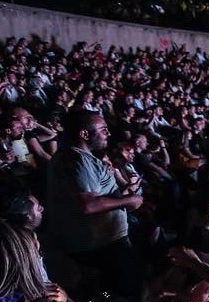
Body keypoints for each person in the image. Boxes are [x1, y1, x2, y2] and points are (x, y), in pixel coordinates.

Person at [42, 111, 144, 299]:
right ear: (85, 134)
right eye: (103, 130)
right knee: (122, 292)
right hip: (102, 245)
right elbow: (88, 205)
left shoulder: (79, 157)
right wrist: (130, 200)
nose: (109, 134)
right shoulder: (76, 160)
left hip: (105, 241)